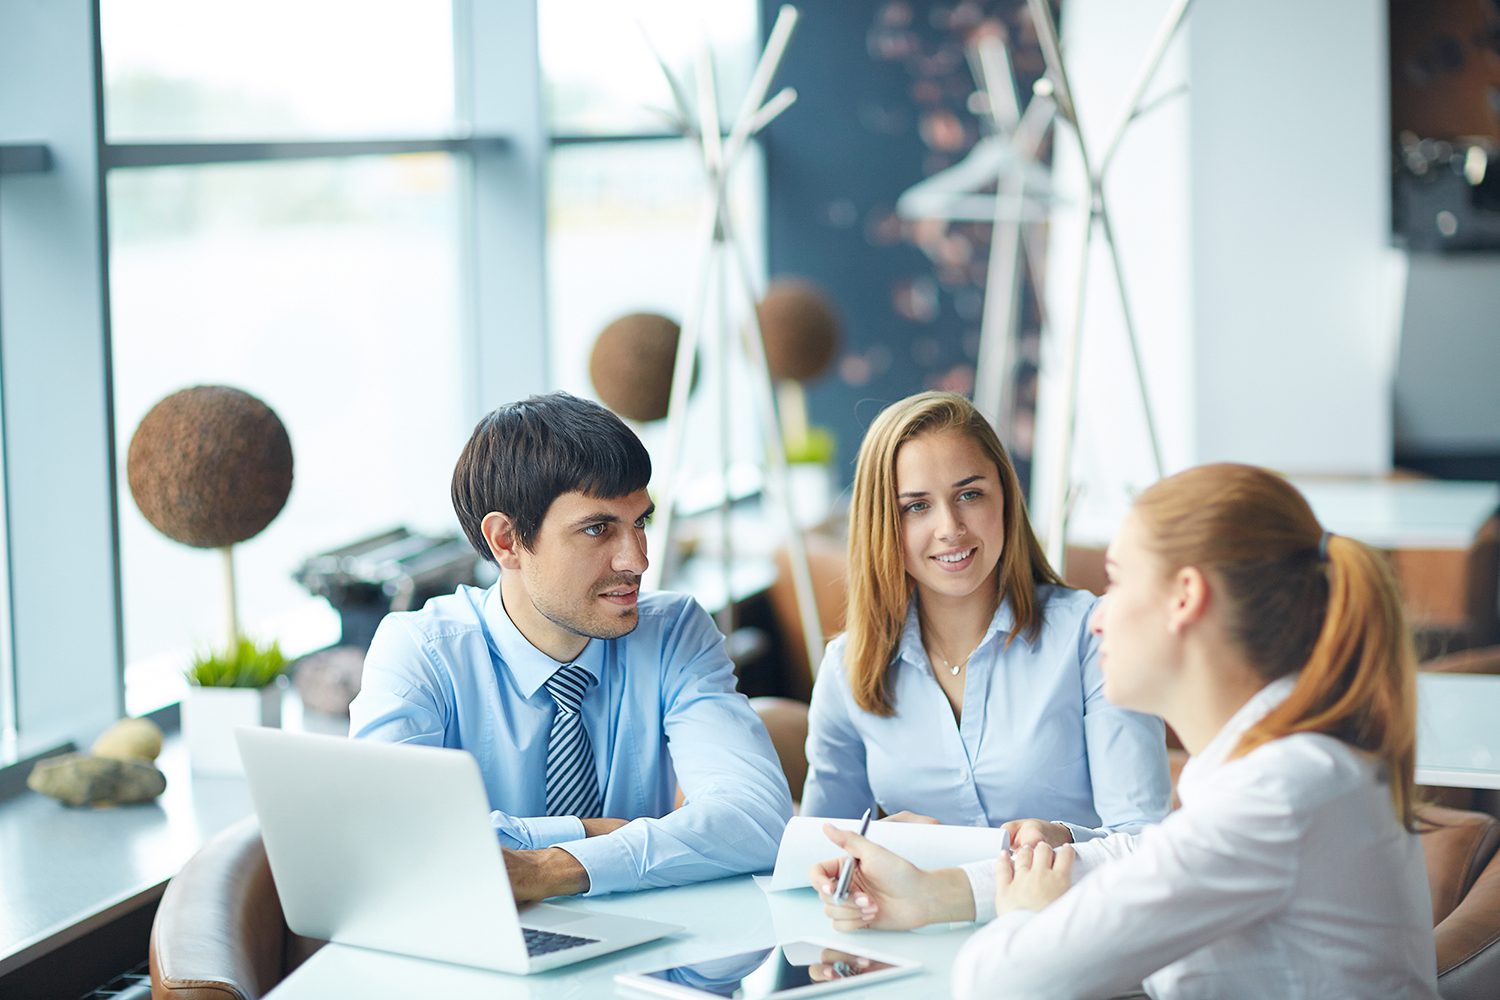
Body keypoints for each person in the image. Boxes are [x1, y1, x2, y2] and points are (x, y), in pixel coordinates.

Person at [808, 463, 1439, 999]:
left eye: (1117, 579)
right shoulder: (1279, 767)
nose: (1099, 614)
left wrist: (1022, 916)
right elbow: (1140, 857)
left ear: (1185, 597)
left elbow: (999, 980)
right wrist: (934, 894)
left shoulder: (1278, 792)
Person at [349, 392, 793, 902]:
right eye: (597, 529)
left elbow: (757, 821)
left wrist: (546, 866)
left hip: (643, 956)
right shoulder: (421, 652)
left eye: (640, 522)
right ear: (506, 542)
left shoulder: (674, 632)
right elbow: (389, 845)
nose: (637, 561)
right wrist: (590, 831)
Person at [801, 391, 1169, 843]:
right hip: (914, 913)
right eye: (916, 506)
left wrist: (1065, 840)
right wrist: (874, 840)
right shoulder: (847, 666)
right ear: (883, 523)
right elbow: (818, 850)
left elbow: (1144, 842)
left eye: (970, 495)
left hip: (1069, 909)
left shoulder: (1091, 637)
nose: (950, 528)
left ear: (1006, 500)